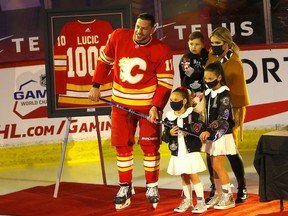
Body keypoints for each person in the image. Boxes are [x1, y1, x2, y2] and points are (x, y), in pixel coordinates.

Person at [88, 13, 174, 210]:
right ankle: (125, 187)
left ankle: (152, 187)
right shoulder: (118, 36)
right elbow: (104, 62)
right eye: (137, 26)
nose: (139, 31)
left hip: (147, 108)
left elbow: (165, 83)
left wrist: (156, 106)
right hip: (120, 106)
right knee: (122, 146)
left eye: (144, 28)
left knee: (150, 147)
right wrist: (96, 85)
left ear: (153, 29)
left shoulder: (162, 49)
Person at [204, 26, 250, 204]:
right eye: (212, 42)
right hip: (211, 108)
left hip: (231, 110)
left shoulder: (234, 61)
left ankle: (242, 187)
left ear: (226, 43)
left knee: (230, 150)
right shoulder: (211, 57)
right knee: (211, 151)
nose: (213, 46)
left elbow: (236, 91)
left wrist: (228, 116)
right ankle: (215, 189)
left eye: (217, 43)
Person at [162, 86, 207, 214]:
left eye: (176, 99)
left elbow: (200, 128)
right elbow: (164, 137)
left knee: (193, 175)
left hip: (190, 152)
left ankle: (200, 201)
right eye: (171, 99)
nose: (173, 101)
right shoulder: (169, 117)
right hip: (177, 152)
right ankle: (188, 200)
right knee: (183, 175)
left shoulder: (193, 115)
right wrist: (170, 133)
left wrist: (191, 130)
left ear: (184, 101)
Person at [200, 61, 237, 210]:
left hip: (221, 134)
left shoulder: (224, 94)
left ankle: (228, 196)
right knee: (213, 166)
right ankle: (219, 193)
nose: (207, 81)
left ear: (219, 77)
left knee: (217, 164)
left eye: (210, 79)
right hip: (211, 134)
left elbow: (223, 117)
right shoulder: (208, 93)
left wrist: (209, 130)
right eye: (206, 79)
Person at [179, 31, 208, 120]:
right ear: (188, 44)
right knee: (191, 113)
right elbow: (188, 72)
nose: (193, 47)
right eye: (191, 44)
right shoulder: (186, 57)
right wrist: (203, 71)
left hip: (202, 90)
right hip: (190, 91)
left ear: (203, 45)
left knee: (202, 112)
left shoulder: (205, 55)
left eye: (197, 44)